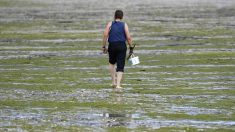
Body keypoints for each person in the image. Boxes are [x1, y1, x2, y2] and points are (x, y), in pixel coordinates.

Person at [102, 10, 134, 88]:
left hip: (112, 45)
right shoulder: (124, 25)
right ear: (122, 17)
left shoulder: (110, 24)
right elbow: (128, 37)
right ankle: (118, 85)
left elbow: (105, 34)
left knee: (112, 63)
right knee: (120, 65)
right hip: (121, 46)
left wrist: (104, 46)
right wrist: (131, 47)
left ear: (114, 16)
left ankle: (113, 82)